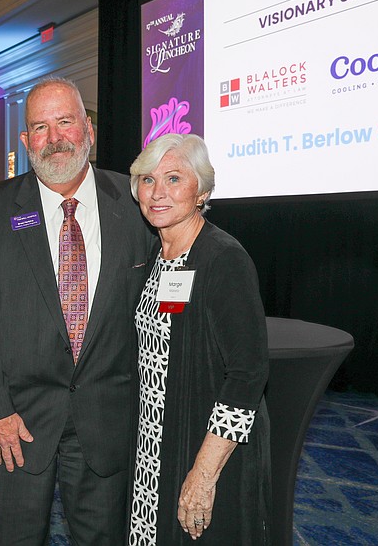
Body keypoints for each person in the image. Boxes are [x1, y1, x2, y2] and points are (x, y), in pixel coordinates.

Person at [0, 77, 155, 545]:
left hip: (109, 420)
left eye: (65, 121)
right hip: (16, 426)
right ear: (25, 142)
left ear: (89, 129)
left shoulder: (136, 202)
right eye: (40, 127)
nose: (55, 137)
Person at [127, 133, 271, 544]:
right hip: (155, 444)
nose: (157, 193)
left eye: (174, 179)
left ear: (202, 191)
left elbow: (247, 373)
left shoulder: (223, 258)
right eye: (147, 179)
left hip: (206, 448)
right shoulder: (156, 256)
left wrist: (204, 473)